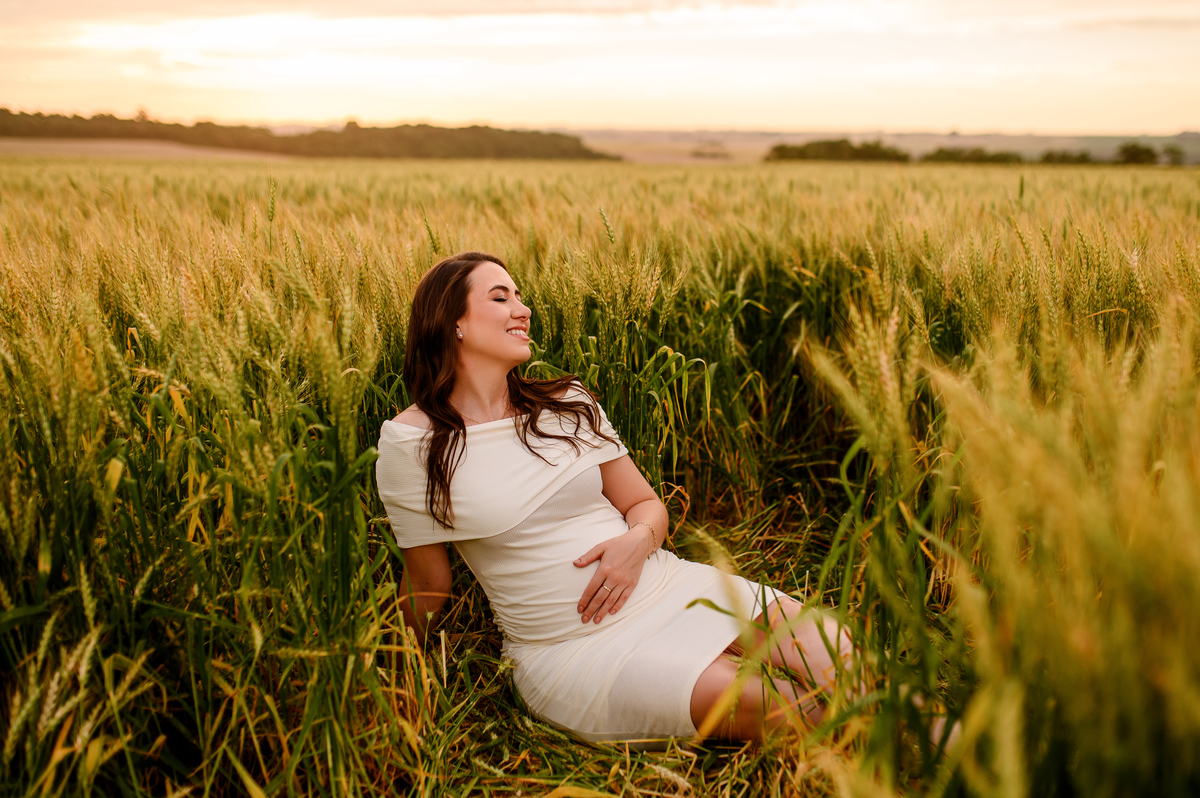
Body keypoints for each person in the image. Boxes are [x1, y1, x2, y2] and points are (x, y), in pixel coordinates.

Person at [375, 251, 852, 743]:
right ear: (451, 322)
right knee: (781, 709)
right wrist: (389, 677)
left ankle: (932, 737)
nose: (523, 308)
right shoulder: (413, 444)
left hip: (670, 588)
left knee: (838, 650)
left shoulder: (566, 404)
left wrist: (638, 543)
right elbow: (428, 584)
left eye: (520, 295)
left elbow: (646, 505)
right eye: (501, 297)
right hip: (575, 650)